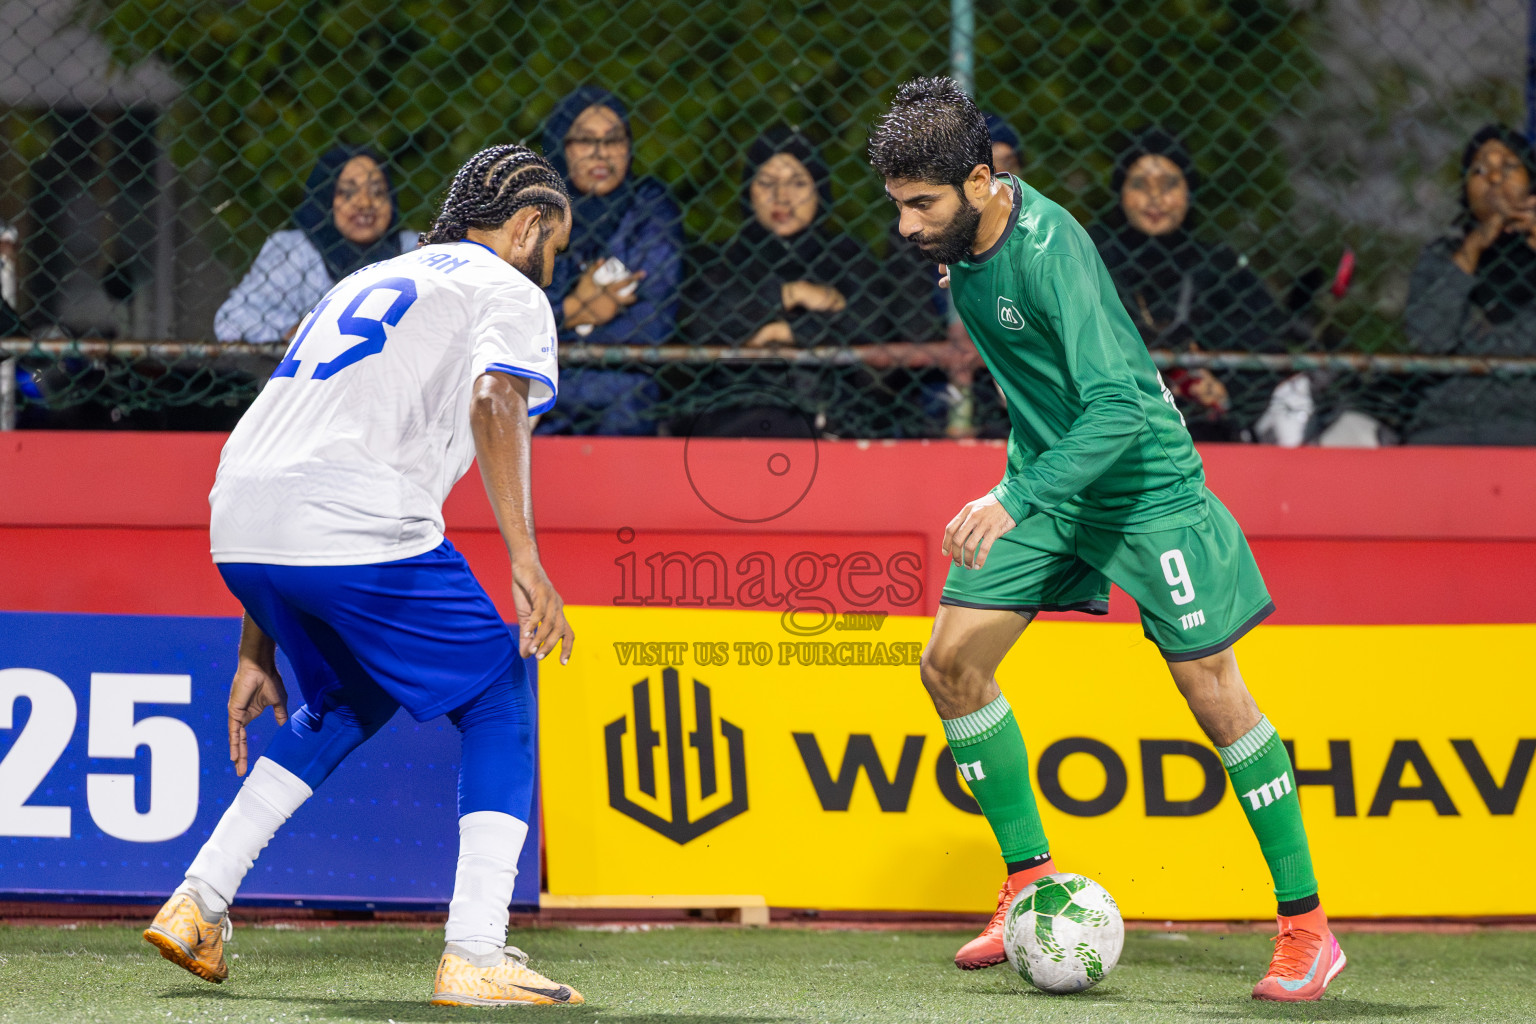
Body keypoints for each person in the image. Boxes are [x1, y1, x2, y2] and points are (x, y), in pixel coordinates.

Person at [868, 78, 1343, 1002]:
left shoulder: (1054, 253)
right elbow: (1034, 385)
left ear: (979, 181)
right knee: (950, 664)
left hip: (1144, 486)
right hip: (1051, 483)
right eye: (896, 207)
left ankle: (1308, 930)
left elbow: (1120, 406)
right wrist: (1022, 487)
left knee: (1213, 694)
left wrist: (1015, 497)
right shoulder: (965, 242)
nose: (905, 226)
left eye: (921, 205)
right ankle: (1028, 884)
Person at [143, 144, 583, 1008]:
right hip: (349, 521)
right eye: (555, 244)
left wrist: (255, 640)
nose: (553, 265)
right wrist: (526, 560)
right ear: (529, 223)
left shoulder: (366, 280)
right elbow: (497, 400)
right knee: (497, 691)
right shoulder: (509, 287)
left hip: (240, 518)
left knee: (354, 694)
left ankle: (199, 901)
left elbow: (297, 445)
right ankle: (477, 951)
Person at [676, 125, 894, 436]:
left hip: (835, 411)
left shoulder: (847, 256)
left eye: (797, 183)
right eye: (767, 182)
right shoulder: (722, 259)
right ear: (748, 190)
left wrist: (784, 330)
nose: (782, 197)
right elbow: (701, 324)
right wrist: (790, 294)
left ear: (820, 189)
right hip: (733, 412)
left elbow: (870, 326)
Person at [1091, 128, 1286, 441]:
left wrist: (1227, 388)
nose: (1155, 197)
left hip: (1206, 433)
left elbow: (1266, 343)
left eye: (1169, 184)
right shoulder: (1090, 258)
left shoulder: (1219, 266)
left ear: (1189, 192)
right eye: (1140, 184)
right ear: (1120, 192)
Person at [538, 85, 682, 435]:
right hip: (537, 378)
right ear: (562, 146)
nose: (601, 153)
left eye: (614, 139)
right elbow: (508, 320)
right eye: (585, 140)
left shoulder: (649, 209)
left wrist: (556, 325)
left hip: (622, 385)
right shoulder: (533, 213)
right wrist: (575, 309)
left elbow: (652, 325)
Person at [1403, 123, 1536, 444]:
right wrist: (1472, 250)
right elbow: (1428, 340)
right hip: (1453, 422)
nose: (1493, 179)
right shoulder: (1443, 256)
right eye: (1479, 170)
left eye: (1508, 167)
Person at [215, 148, 419, 342]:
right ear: (325, 198)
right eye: (348, 193)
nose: (365, 203)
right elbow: (232, 320)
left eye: (377, 192)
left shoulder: (413, 250)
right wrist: (306, 335)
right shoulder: (296, 249)